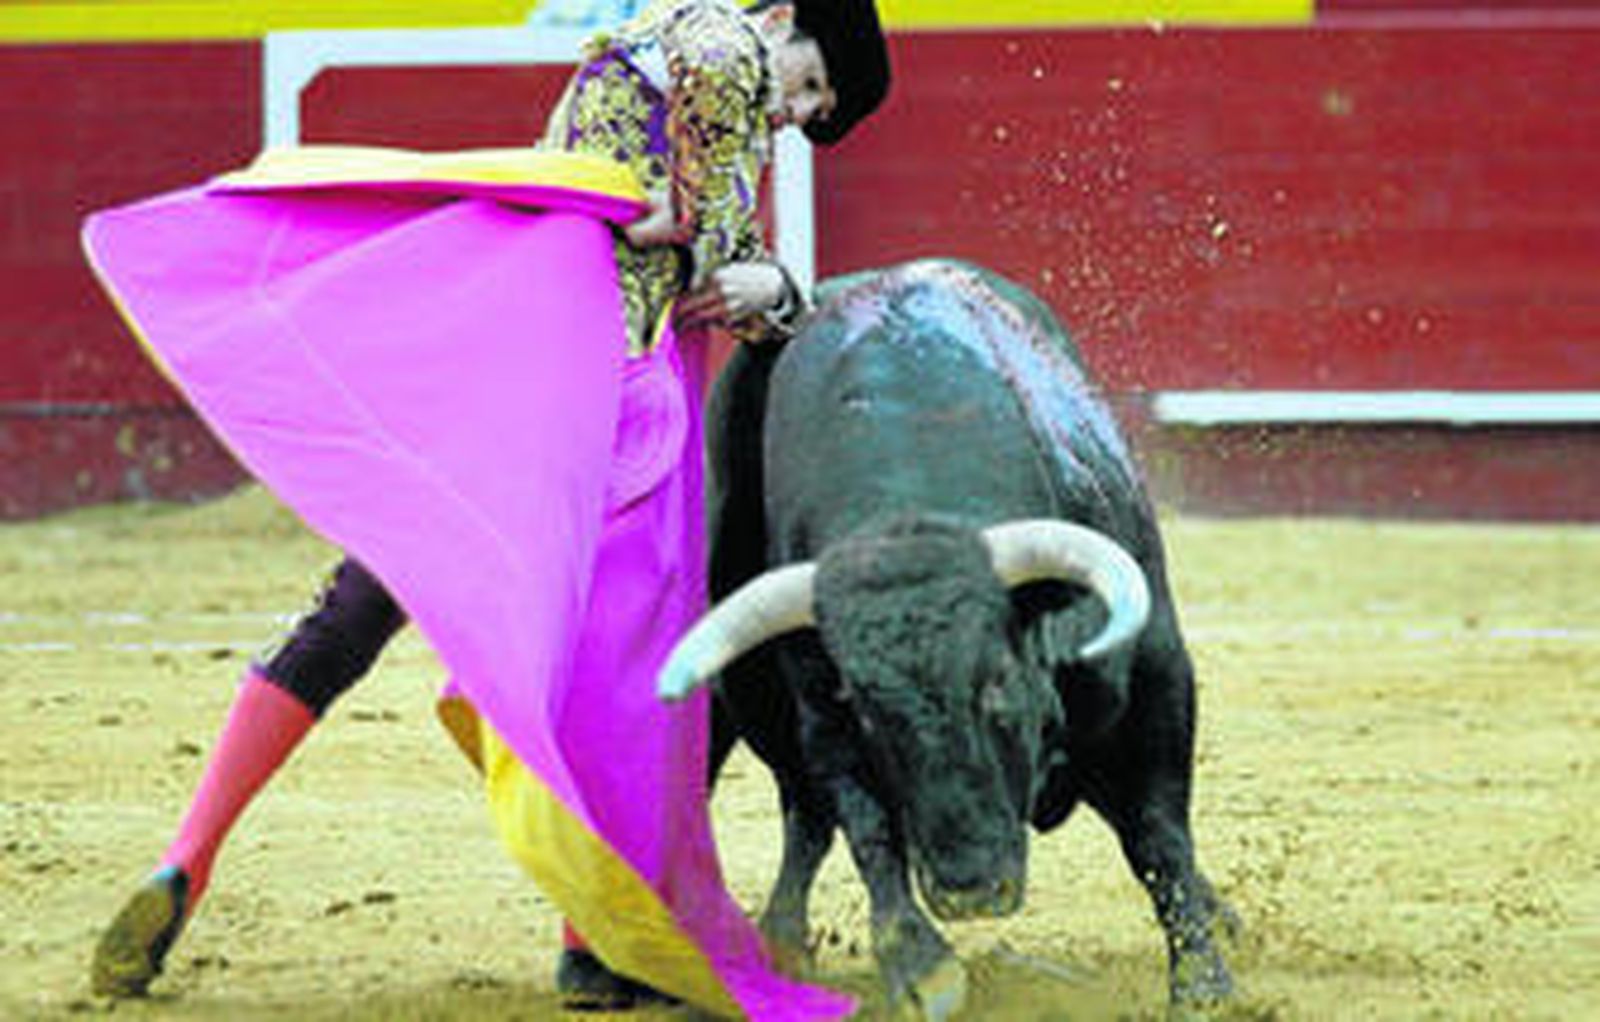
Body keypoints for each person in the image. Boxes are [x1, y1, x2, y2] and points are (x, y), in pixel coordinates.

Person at [88, 0, 889, 1011]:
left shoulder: (636, 54)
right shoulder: (727, 47)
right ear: (782, 16)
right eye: (812, 82)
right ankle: (590, 946)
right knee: (607, 649)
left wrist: (730, 260)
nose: (798, 112)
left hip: (493, 370)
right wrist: (760, 275)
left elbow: (663, 221)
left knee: (355, 607)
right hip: (581, 401)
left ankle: (187, 856)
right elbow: (695, 242)